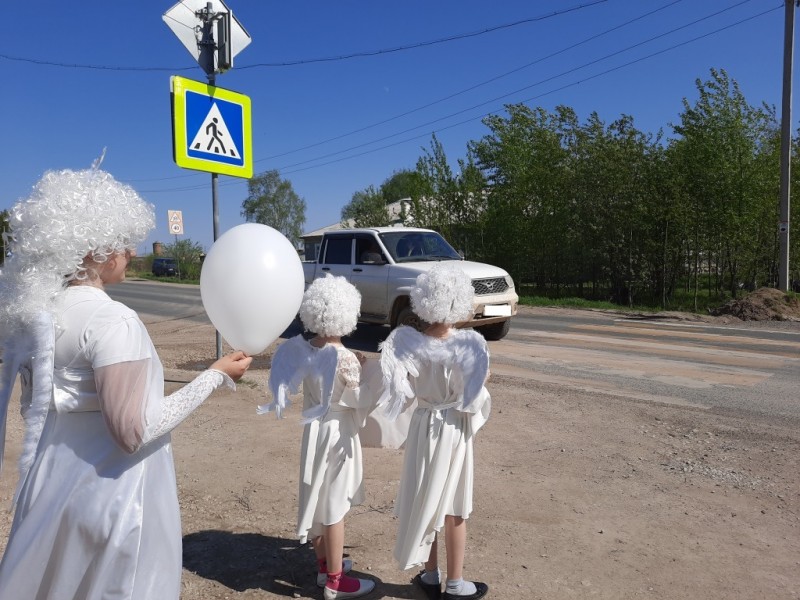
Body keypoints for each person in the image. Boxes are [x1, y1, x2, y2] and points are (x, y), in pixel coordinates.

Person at [0, 165, 252, 599]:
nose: (132, 251)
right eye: (122, 243)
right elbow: (134, 432)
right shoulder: (112, 319)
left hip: (51, 487)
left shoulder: (42, 314)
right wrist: (213, 377)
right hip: (115, 496)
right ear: (95, 249)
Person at [258, 274, 376, 600]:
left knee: (317, 497)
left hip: (314, 430)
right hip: (338, 434)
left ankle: (324, 567)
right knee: (335, 506)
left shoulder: (304, 350)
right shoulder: (347, 357)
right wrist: (366, 374)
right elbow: (359, 399)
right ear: (348, 313)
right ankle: (336, 583)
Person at [379, 264, 491, 600]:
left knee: (424, 497)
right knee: (455, 504)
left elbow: (400, 387)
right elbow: (474, 393)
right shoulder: (470, 344)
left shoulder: (405, 343)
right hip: (453, 427)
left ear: (422, 301)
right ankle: (455, 584)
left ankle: (430, 576)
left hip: (422, 425)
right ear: (460, 300)